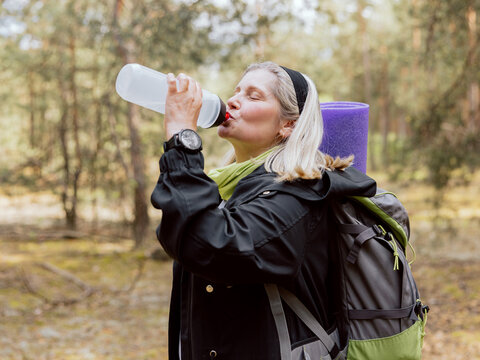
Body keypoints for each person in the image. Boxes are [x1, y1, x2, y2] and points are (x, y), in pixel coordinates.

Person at [150, 61, 376, 360]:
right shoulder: (226, 188)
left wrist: (183, 138)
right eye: (236, 91)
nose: (233, 100)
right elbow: (183, 237)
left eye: (254, 96)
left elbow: (212, 245)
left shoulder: (298, 193)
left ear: (288, 125)